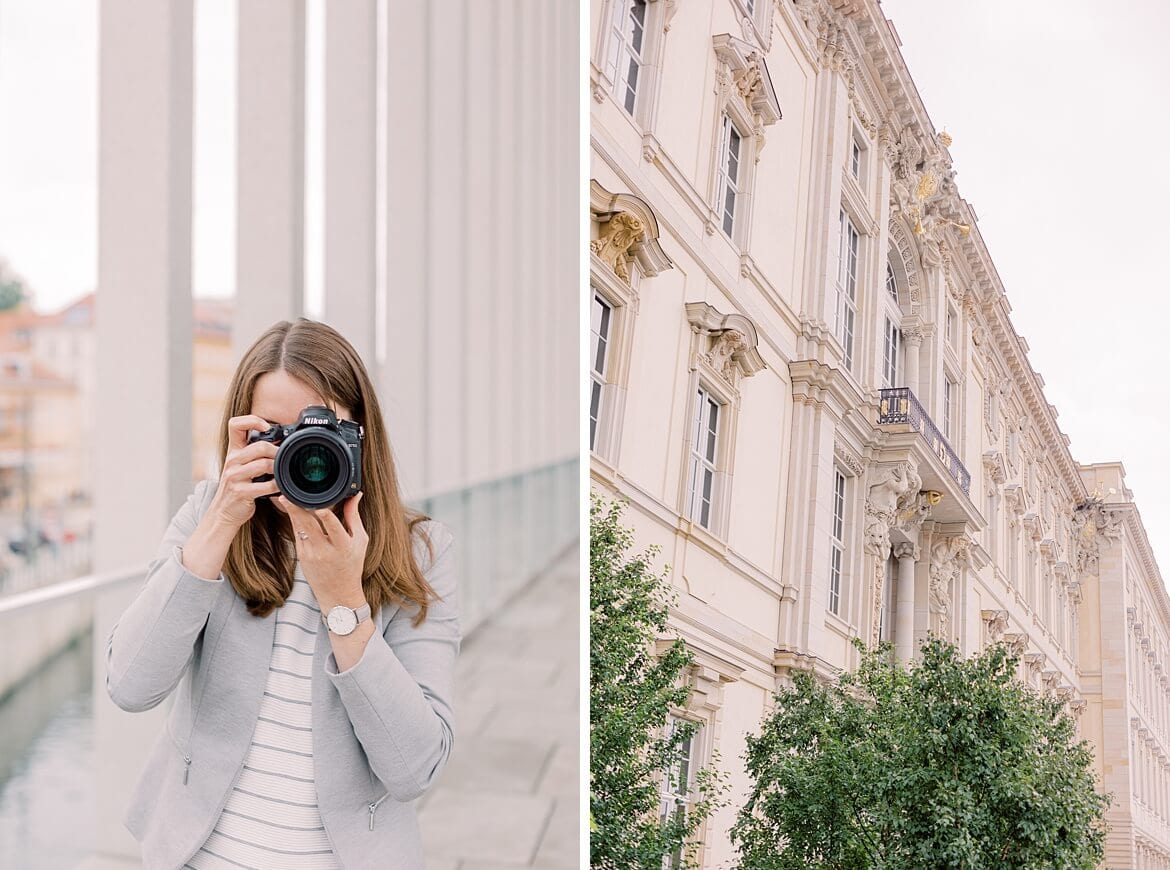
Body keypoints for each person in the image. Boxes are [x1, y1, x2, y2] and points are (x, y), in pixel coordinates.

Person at [106, 318, 459, 869]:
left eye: (320, 432)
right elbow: (130, 686)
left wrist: (344, 601)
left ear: (361, 434)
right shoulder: (208, 517)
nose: (303, 452)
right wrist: (221, 522)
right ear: (241, 432)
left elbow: (415, 768)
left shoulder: (421, 552)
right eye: (275, 432)